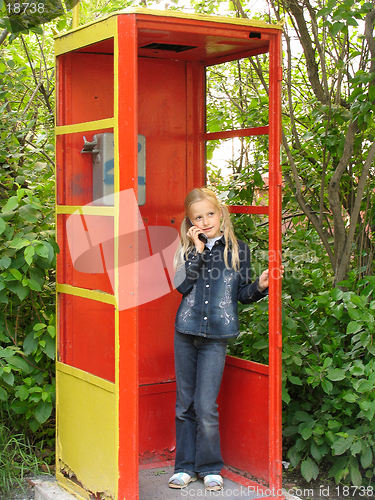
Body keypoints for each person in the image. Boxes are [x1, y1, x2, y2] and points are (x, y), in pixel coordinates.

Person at [168, 187, 271, 492]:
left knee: (205, 405)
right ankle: (184, 467)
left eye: (210, 214)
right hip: (185, 333)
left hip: (216, 336)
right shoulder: (187, 250)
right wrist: (198, 252)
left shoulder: (238, 250)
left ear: (221, 213)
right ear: (190, 223)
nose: (206, 220)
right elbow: (182, 287)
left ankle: (210, 467)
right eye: (198, 217)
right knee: (184, 404)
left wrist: (260, 286)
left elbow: (240, 295)